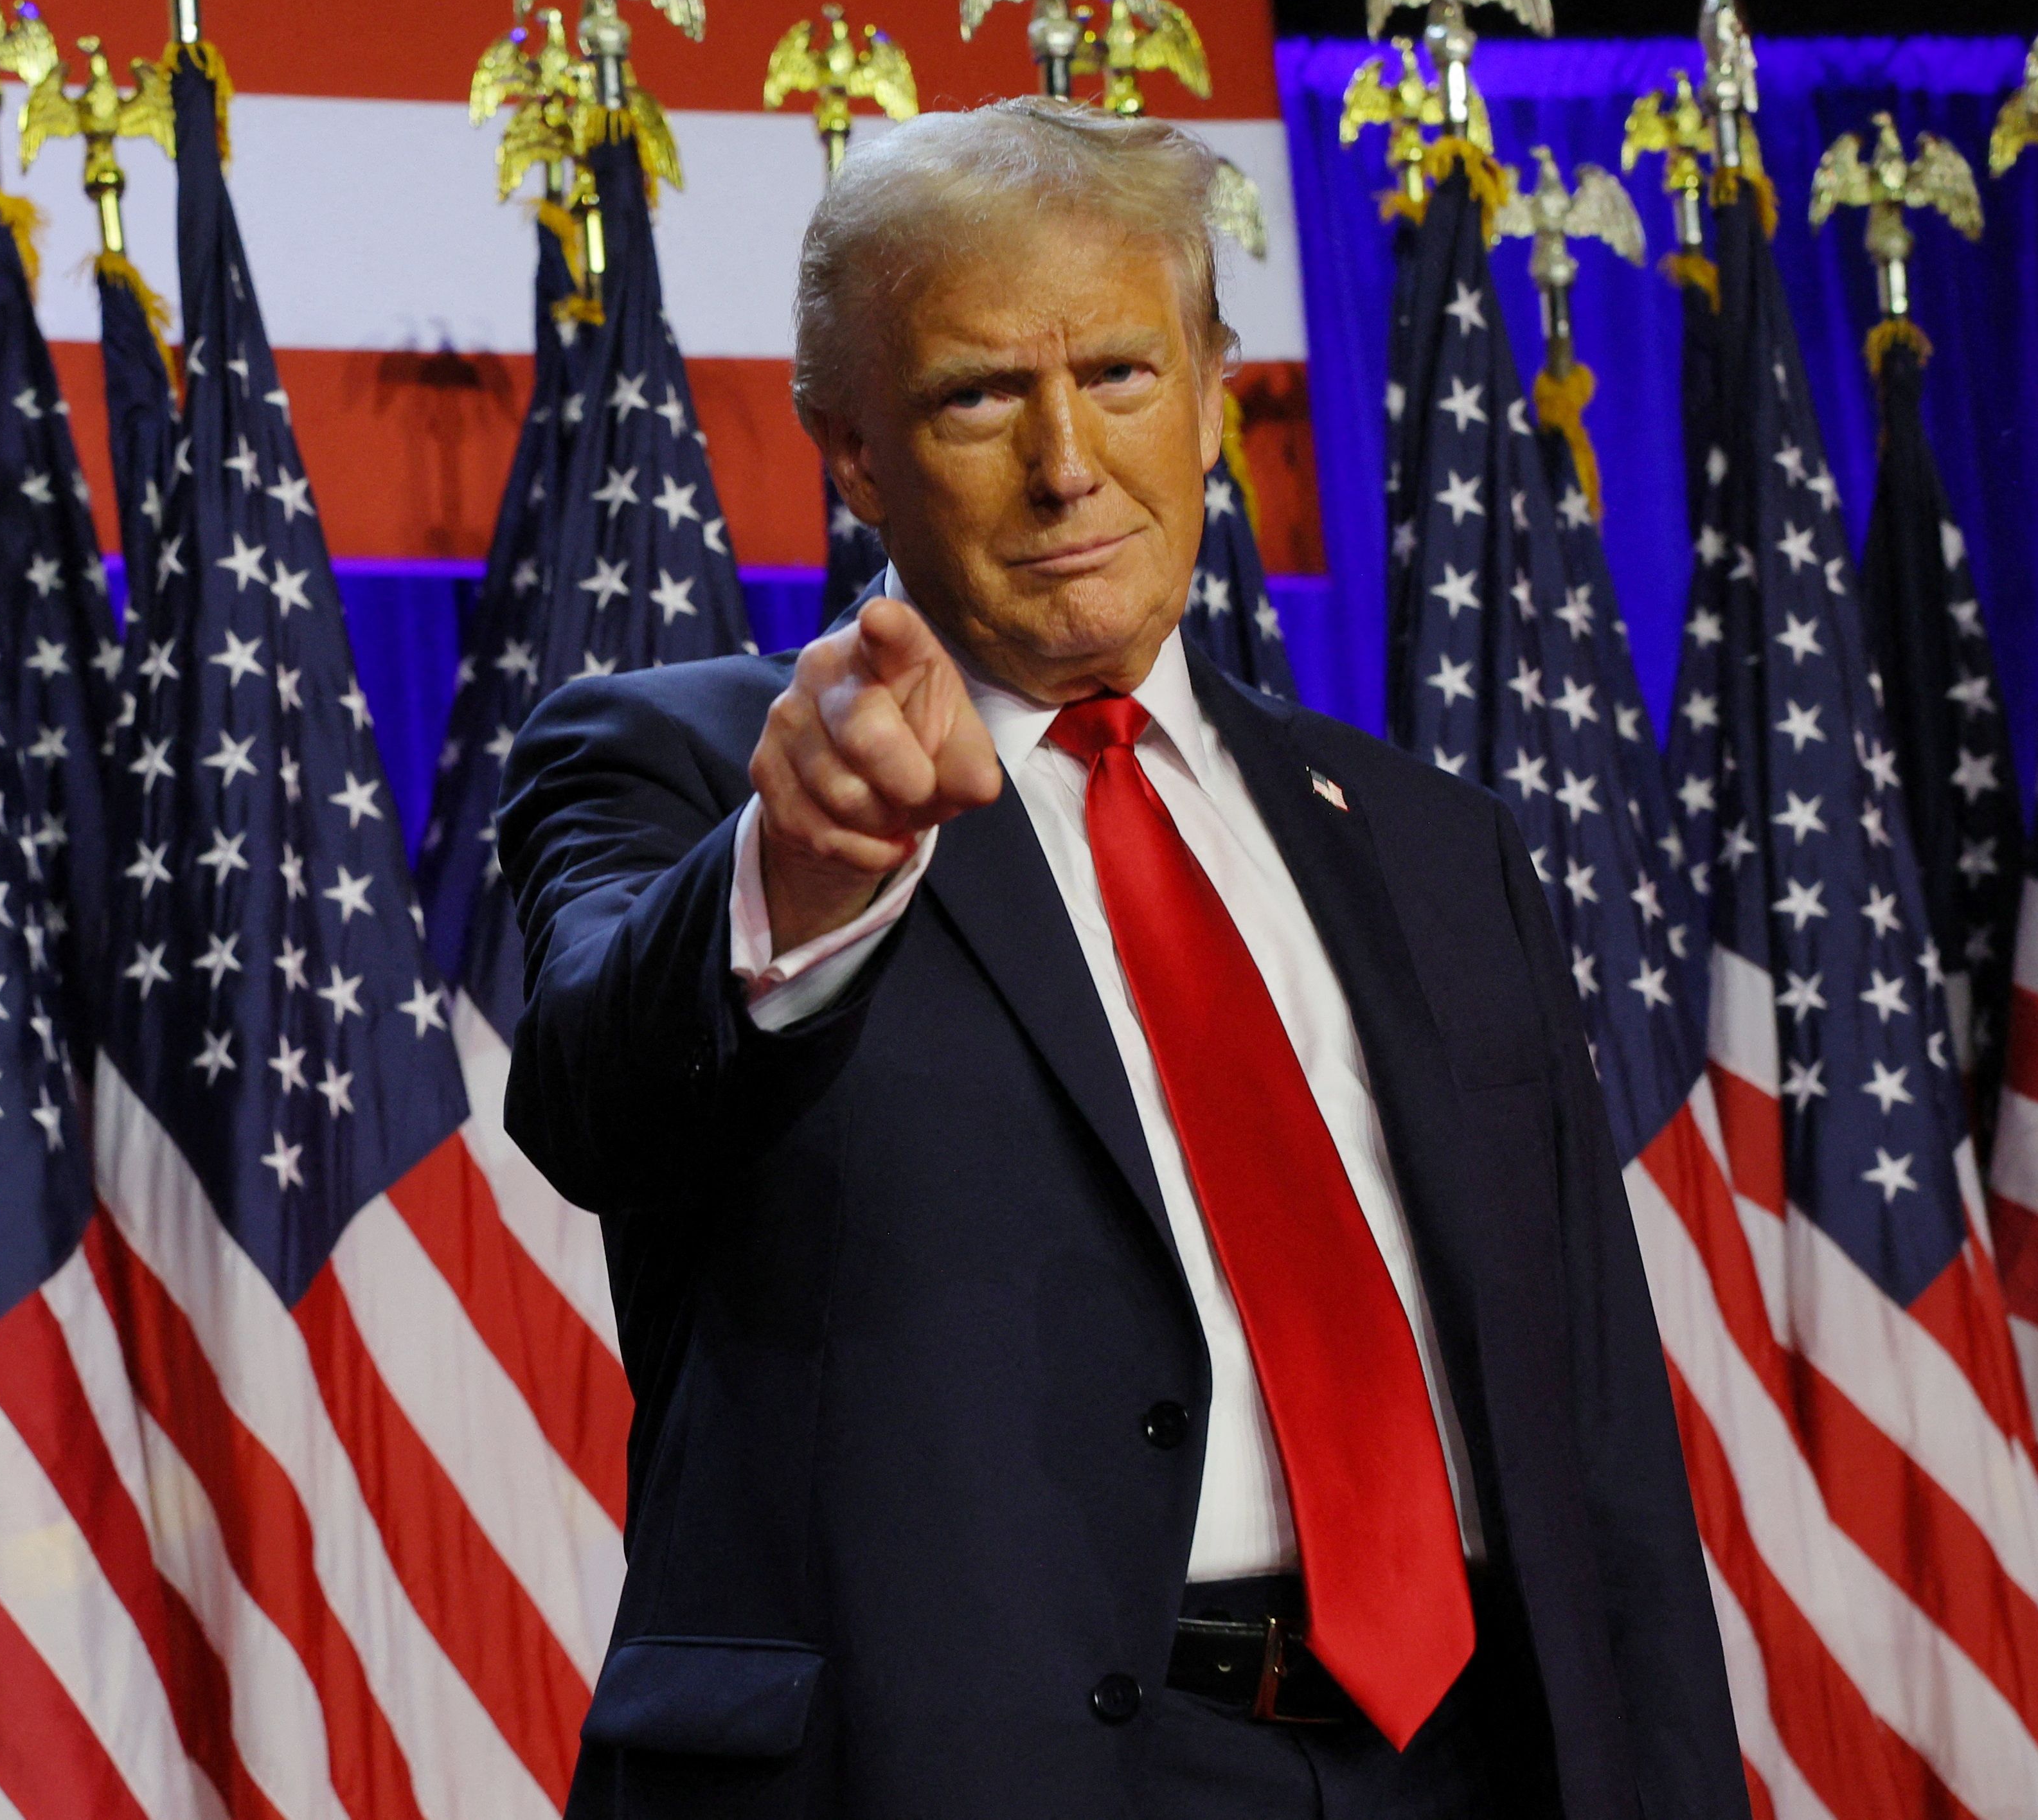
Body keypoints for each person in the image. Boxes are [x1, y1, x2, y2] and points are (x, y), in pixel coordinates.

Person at [498, 98, 1744, 1820]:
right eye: (976, 395)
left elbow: (1593, 1426)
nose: (1065, 459)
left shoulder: (1427, 838)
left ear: (1213, 391)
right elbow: (591, 1092)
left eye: (1118, 373)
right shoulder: (697, 768)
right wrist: (806, 865)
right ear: (851, 450)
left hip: (1457, 1765)